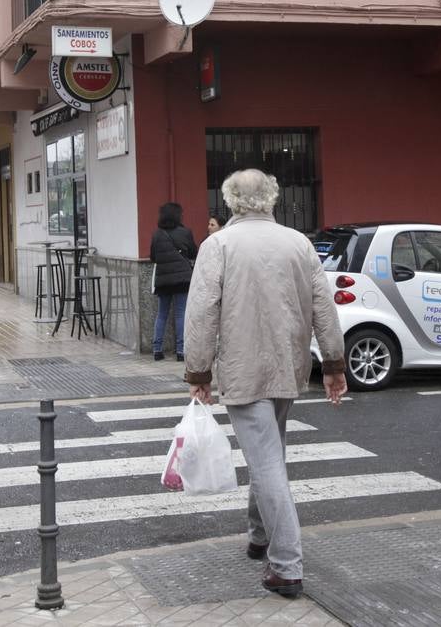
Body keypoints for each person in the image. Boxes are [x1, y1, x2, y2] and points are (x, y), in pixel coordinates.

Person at [184, 170, 347, 599]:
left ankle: (286, 564)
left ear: (231, 201)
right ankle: (259, 535)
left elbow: (201, 312)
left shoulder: (218, 245)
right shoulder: (299, 243)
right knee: (270, 451)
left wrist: (198, 372)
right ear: (272, 199)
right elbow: (324, 308)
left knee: (267, 461)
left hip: (243, 367)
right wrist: (332, 364)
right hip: (288, 366)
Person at [150, 202, 197, 362]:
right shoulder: (185, 232)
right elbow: (193, 252)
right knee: (180, 314)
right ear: (177, 215)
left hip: (163, 280)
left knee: (161, 314)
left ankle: (157, 350)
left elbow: (153, 257)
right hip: (182, 279)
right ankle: (180, 351)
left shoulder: (157, 234)